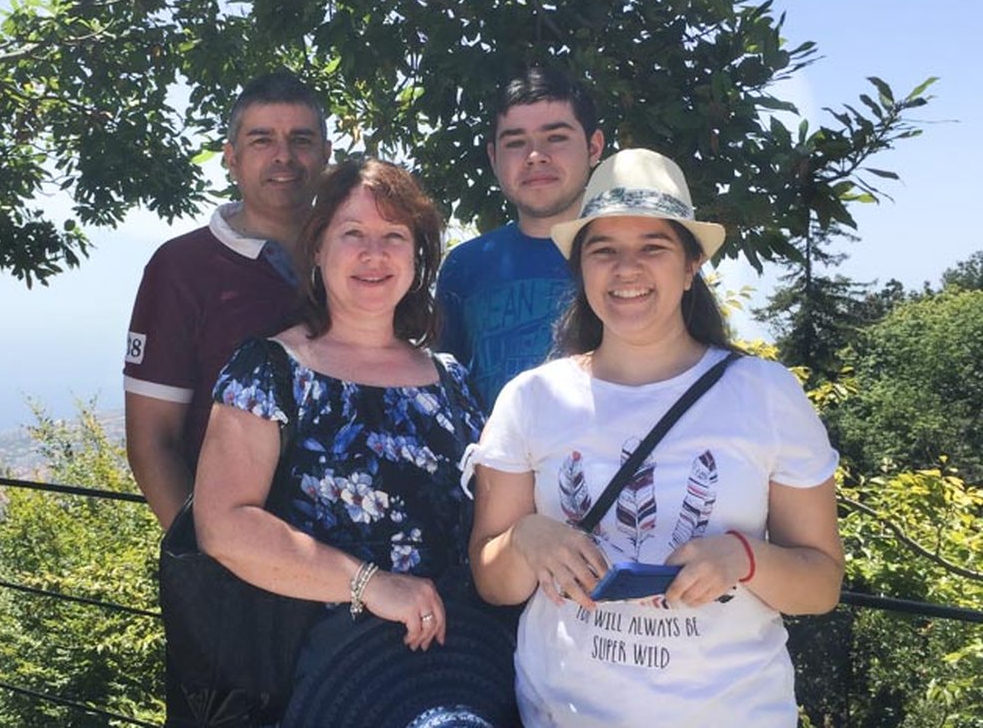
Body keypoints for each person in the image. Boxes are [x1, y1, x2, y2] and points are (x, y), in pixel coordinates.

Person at [468, 148, 844, 727]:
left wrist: (743, 558)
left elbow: (820, 583)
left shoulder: (764, 394)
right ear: (581, 268)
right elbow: (494, 584)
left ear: (691, 265)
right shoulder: (530, 398)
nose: (626, 270)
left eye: (652, 248)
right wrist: (525, 538)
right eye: (604, 251)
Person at [193, 158, 493, 724]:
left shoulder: (450, 377)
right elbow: (223, 524)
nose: (374, 254)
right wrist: (370, 585)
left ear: (418, 256)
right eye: (352, 233)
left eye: (394, 236)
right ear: (318, 249)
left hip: (456, 675)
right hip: (323, 680)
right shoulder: (270, 369)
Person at [123, 70, 331, 530]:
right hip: (241, 566)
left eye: (301, 140)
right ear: (231, 159)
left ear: (325, 156)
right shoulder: (182, 267)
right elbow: (152, 440)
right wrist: (203, 558)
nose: (284, 157)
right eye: (262, 141)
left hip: (365, 561)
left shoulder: (360, 260)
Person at [436, 65, 605, 410]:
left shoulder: (631, 257)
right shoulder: (464, 267)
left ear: (594, 147)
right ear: (493, 157)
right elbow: (447, 389)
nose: (535, 156)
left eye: (556, 137)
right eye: (515, 142)